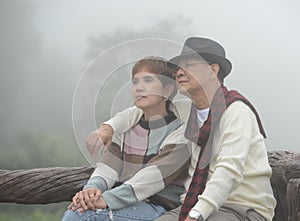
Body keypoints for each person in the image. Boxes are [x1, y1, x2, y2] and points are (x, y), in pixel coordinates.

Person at [89, 37, 276, 221]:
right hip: (193, 204)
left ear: (213, 70)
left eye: (189, 64)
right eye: (178, 67)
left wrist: (196, 215)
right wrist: (109, 127)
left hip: (242, 208)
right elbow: (141, 109)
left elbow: (228, 171)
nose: (179, 72)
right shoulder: (188, 110)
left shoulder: (236, 111)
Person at [61, 56, 192, 221]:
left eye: (148, 81)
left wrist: (106, 199)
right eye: (135, 82)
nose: (139, 88)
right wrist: (90, 191)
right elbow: (108, 167)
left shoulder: (180, 132)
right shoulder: (123, 128)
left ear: (167, 91)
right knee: (78, 211)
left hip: (159, 207)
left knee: (84, 216)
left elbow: (153, 178)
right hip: (126, 202)